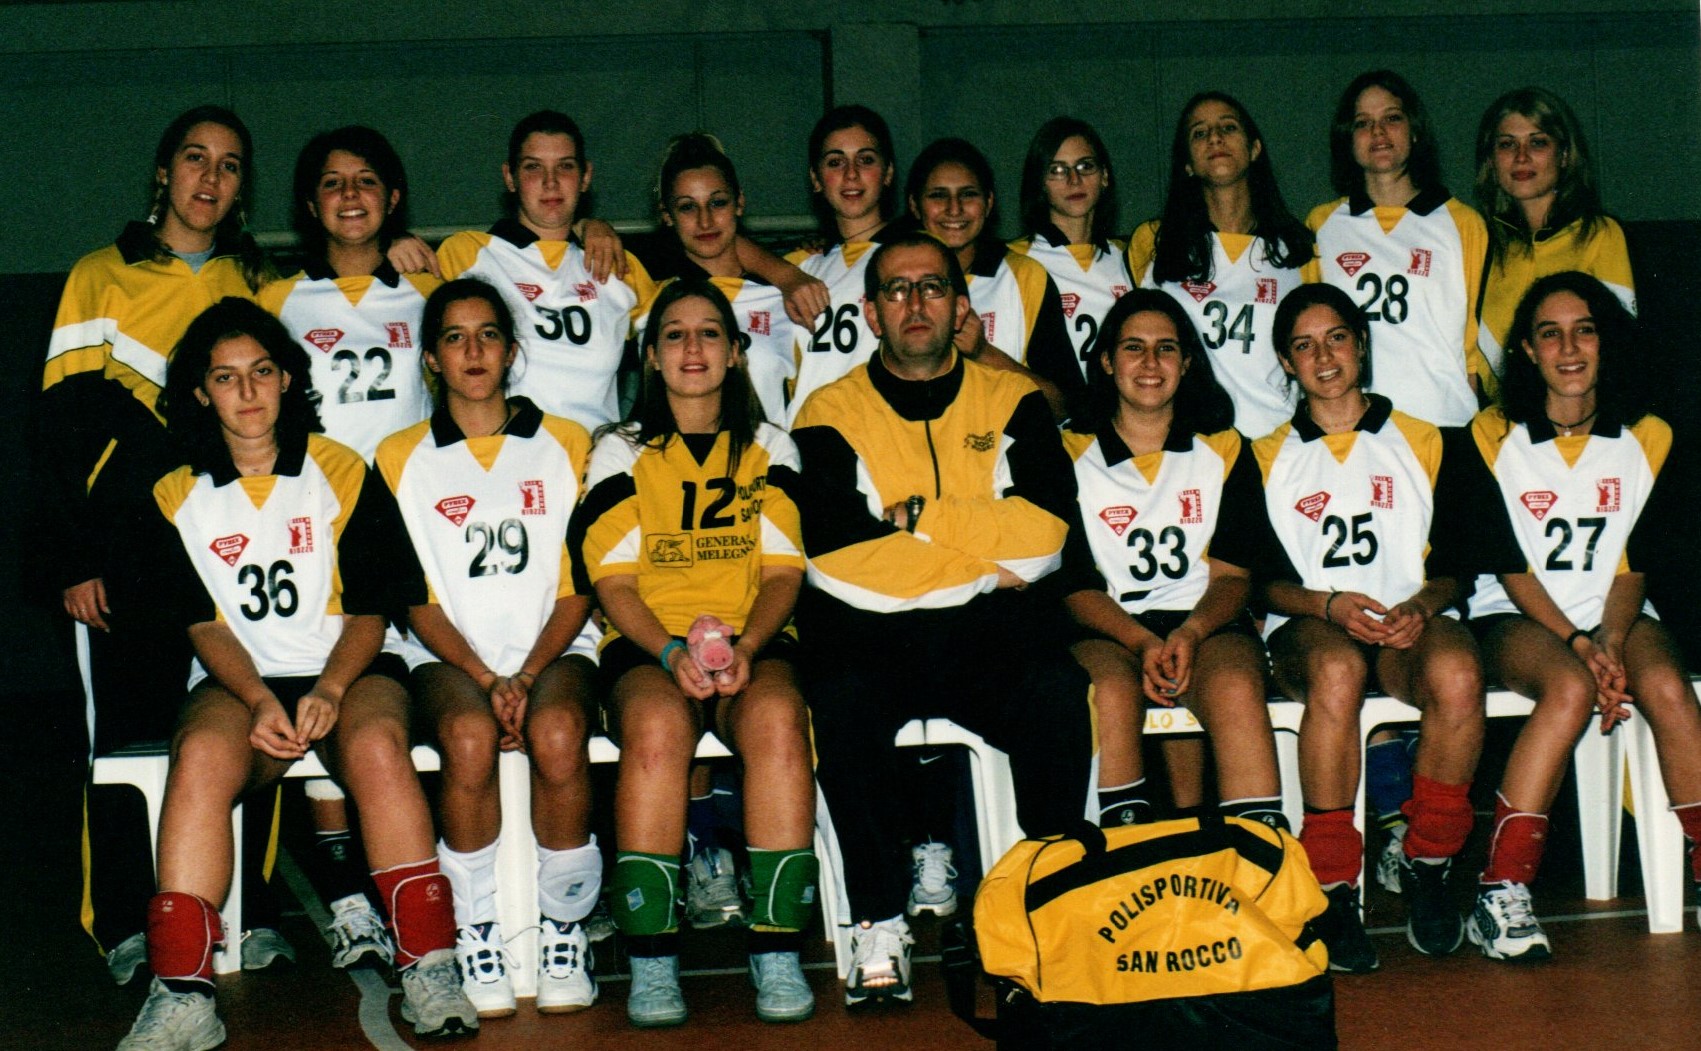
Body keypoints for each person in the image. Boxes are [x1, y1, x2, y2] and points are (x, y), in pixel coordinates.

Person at [113, 298, 476, 1047]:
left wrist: (331, 688)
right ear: (200, 393)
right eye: (225, 378)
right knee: (200, 754)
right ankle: (182, 993)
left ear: (287, 379)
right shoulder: (175, 490)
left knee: (376, 747)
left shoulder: (338, 467)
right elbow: (202, 623)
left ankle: (431, 965)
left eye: (261, 372)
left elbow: (372, 608)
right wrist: (255, 697)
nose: (247, 392)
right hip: (241, 677)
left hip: (348, 667)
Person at [791, 232, 1093, 1007]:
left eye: (931, 287)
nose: (915, 303)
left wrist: (919, 517)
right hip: (872, 629)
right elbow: (835, 555)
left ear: (961, 308)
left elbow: (1047, 533)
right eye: (896, 289)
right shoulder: (827, 412)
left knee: (1056, 689)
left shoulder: (1013, 400)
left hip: (986, 633)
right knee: (840, 700)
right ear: (870, 313)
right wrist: (982, 562)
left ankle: (1048, 902)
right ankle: (878, 919)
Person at [38, 104, 286, 987]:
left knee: (252, 718)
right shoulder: (100, 276)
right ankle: (125, 923)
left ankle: (246, 915)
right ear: (162, 171)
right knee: (126, 743)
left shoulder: (257, 284)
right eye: (194, 158)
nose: (209, 178)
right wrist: (75, 556)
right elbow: (59, 427)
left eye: (229, 164)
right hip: (122, 556)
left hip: (235, 551)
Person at [571, 279, 818, 1027]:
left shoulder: (770, 445)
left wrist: (747, 645)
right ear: (649, 356)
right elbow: (613, 581)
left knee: (778, 722)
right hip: (649, 644)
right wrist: (670, 649)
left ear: (736, 352)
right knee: (655, 730)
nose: (692, 348)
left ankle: (776, 949)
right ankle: (652, 962)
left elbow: (783, 572)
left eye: (709, 332)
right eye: (673, 334)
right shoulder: (619, 449)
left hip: (753, 639)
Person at [376, 279, 602, 1016]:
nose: (472, 352)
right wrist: (483, 674)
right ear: (430, 358)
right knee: (469, 736)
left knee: (558, 731)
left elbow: (580, 583)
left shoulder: (568, 442)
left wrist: (527, 673)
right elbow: (414, 597)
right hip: (448, 656)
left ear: (510, 350)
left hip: (555, 646)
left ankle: (564, 926)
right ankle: (474, 930)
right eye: (454, 337)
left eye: (488, 334)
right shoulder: (398, 455)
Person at [1461, 272, 1701, 961]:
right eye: (1549, 334)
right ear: (1527, 351)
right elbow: (1508, 564)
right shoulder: (1490, 433)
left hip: (1615, 611)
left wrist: (1611, 638)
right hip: (1518, 613)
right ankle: (1500, 888)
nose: (1568, 349)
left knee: (1668, 687)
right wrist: (1577, 641)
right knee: (1567, 687)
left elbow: (1634, 558)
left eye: (1584, 330)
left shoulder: (1648, 434)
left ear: (1606, 342)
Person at [1256, 283, 1485, 973]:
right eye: (1303, 345)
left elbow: (1459, 563)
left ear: (1360, 342)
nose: (1323, 356)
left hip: (1405, 622)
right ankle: (1330, 887)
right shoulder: (1260, 453)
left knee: (1457, 672)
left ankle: (1429, 863)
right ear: (1286, 362)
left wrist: (1422, 604)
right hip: (1310, 627)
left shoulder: (1427, 438)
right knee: (1337, 669)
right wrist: (1326, 606)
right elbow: (1254, 580)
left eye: (1335, 337)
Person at [257, 124, 440, 973]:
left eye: (367, 179)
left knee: (398, 703)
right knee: (327, 683)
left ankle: (439, 883)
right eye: (332, 182)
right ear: (309, 203)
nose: (351, 195)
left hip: (417, 522)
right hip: (315, 525)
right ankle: (347, 898)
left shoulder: (429, 287)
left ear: (393, 196)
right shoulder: (278, 300)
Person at [1059, 289, 1284, 832]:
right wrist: (1141, 641)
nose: (1150, 363)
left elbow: (1232, 576)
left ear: (1186, 363)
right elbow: (1073, 584)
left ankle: (1262, 860)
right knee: (1107, 693)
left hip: (1206, 621)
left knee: (1235, 687)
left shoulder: (1224, 447)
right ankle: (1123, 852)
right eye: (1133, 347)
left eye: (1166, 348)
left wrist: (1191, 632)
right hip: (1108, 627)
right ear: (1107, 361)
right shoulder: (1065, 451)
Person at [436, 110, 656, 430]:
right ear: (509, 177)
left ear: (585, 176)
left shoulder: (619, 265)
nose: (550, 182)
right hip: (501, 453)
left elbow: (678, 351)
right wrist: (396, 242)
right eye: (533, 167)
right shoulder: (466, 253)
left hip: (595, 457)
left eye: (565, 166)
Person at [1306, 70, 1491, 427]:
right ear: (1347, 139)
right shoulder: (1321, 225)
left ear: (1415, 130)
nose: (1378, 132)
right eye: (1363, 123)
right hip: (1354, 426)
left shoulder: (1463, 223)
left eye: (1392, 118)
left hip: (1443, 420)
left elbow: (1472, 347)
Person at [1130, 92, 1313, 439]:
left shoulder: (1298, 249)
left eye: (1228, 127)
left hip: (1275, 441)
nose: (1215, 138)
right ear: (1187, 163)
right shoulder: (1154, 242)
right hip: (1189, 445)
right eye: (1199, 133)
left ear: (1254, 148)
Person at [905, 136, 1081, 421]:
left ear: (988, 203)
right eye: (938, 195)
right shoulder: (892, 279)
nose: (954, 208)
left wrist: (983, 353)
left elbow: (1064, 405)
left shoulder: (1024, 276)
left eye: (968, 194)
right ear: (914, 205)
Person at [1474, 87, 1636, 374]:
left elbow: (1620, 346)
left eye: (1537, 143)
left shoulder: (1599, 235)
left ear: (1563, 155)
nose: (1521, 157)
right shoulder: (1480, 244)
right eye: (1507, 144)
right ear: (1491, 161)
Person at [648, 132, 805, 426]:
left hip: (767, 454)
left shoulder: (784, 300)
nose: (705, 220)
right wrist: (589, 227)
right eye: (687, 207)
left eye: (718, 202)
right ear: (667, 215)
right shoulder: (647, 297)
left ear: (739, 202)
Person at [783, 105, 906, 423]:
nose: (851, 174)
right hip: (809, 439)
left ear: (888, 172)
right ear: (816, 178)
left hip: (887, 436)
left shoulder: (917, 258)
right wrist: (781, 273)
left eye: (866, 159)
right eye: (835, 162)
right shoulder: (799, 267)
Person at [1008, 117, 1133, 383]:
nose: (1074, 180)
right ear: (1040, 183)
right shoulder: (1013, 261)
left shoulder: (1131, 259)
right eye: (1057, 170)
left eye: (1085, 166)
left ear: (1104, 176)